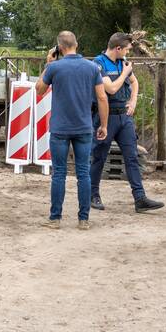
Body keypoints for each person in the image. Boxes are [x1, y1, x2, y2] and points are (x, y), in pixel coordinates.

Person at [36, 31, 109, 230]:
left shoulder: (55, 67)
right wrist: (103, 125)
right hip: (84, 127)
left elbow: (39, 89)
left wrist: (48, 65)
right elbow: (102, 98)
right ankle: (83, 219)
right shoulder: (92, 67)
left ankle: (55, 218)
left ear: (59, 48)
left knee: (59, 173)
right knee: (83, 173)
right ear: (77, 44)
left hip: (60, 127)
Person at [89, 32, 165, 213]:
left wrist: (133, 101)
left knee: (131, 157)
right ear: (117, 48)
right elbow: (112, 89)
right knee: (99, 157)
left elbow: (135, 82)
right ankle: (93, 195)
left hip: (124, 117)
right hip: (105, 117)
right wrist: (124, 73)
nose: (127, 54)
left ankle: (140, 198)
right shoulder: (99, 64)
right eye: (126, 50)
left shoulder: (122, 62)